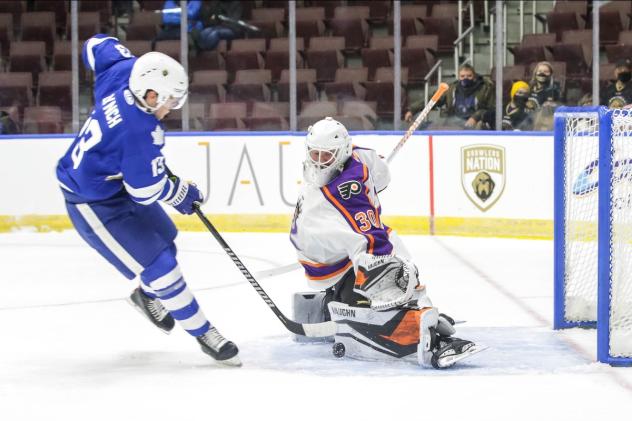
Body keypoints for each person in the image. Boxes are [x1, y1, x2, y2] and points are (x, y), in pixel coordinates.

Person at [55, 34, 240, 366]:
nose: (170, 109)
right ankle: (205, 334)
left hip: (113, 182)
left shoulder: (125, 73)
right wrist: (181, 192)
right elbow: (146, 191)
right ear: (151, 94)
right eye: (169, 101)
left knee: (167, 241)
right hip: (92, 202)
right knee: (162, 267)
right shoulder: (139, 131)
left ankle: (146, 296)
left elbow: (97, 45)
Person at [289, 117, 483, 368]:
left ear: (343, 153)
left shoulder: (358, 165)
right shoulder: (340, 192)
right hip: (329, 266)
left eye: (325, 156)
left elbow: (377, 178)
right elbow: (371, 246)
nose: (317, 162)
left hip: (329, 254)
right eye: (314, 154)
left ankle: (419, 305)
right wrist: (391, 282)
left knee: (389, 241)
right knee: (385, 263)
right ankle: (414, 326)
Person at [405, 63, 495, 130]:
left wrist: (476, 117)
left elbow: (491, 109)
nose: (465, 78)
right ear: (458, 77)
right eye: (462, 76)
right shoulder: (452, 88)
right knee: (424, 126)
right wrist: (413, 110)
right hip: (453, 121)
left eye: (469, 76)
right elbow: (433, 100)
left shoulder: (485, 88)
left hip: (474, 122)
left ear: (474, 76)